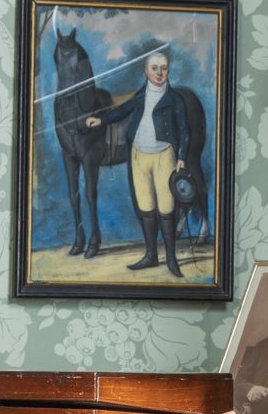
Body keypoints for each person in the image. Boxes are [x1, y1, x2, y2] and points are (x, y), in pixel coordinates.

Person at [83, 48, 207, 277]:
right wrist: (99, 120)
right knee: (146, 207)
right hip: (139, 156)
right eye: (154, 68)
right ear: (146, 71)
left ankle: (171, 259)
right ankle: (151, 256)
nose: (159, 73)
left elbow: (184, 130)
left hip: (165, 156)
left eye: (163, 68)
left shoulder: (175, 99)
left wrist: (180, 157)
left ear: (168, 71)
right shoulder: (140, 98)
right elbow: (119, 112)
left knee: (166, 208)